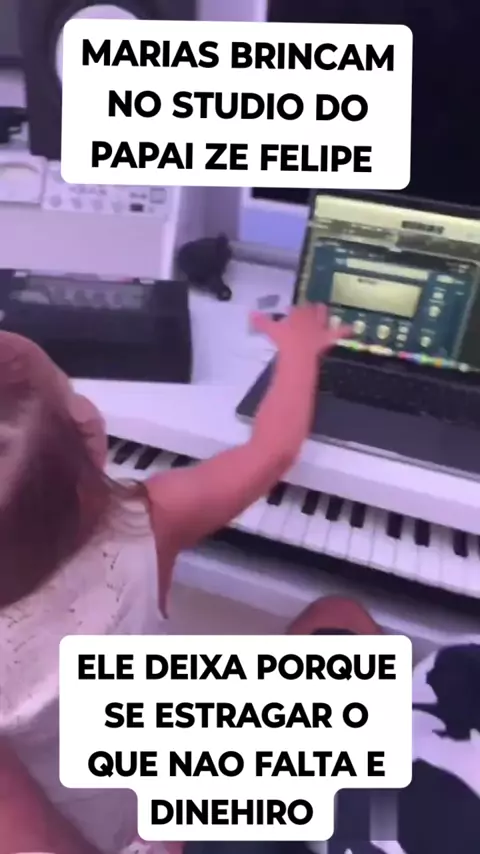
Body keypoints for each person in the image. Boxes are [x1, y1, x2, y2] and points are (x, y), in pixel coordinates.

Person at [0, 305, 350, 854]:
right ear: (91, 437)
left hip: (79, 831)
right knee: (339, 615)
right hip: (164, 826)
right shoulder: (145, 522)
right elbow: (274, 449)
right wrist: (299, 352)